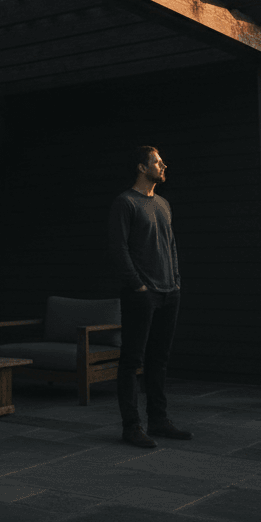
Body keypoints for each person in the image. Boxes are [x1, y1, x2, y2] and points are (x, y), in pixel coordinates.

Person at [108, 145, 192, 448]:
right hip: (141, 295)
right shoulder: (125, 203)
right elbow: (119, 249)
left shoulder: (163, 204)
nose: (163, 166)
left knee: (159, 360)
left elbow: (171, 247)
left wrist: (177, 282)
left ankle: (159, 421)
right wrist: (138, 286)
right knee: (132, 361)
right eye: (157, 162)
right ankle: (131, 427)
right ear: (142, 167)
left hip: (170, 293)